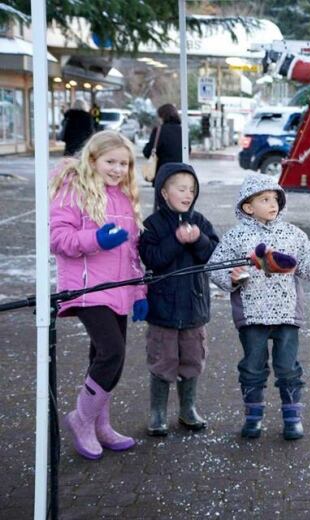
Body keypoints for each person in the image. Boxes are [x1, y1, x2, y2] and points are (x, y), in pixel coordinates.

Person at [208, 175, 310, 440]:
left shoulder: (292, 233)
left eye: (276, 199)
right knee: (252, 367)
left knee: (288, 367)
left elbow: (308, 259)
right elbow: (215, 266)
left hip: (286, 315)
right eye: (265, 200)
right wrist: (231, 277)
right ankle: (253, 417)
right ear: (248, 207)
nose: (273, 204)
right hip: (252, 316)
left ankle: (292, 418)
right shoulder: (236, 236)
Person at [49, 130, 148, 460]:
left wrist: (139, 291)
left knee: (106, 359)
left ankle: (100, 425)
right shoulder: (72, 190)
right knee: (111, 352)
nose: (118, 169)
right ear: (92, 159)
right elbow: (59, 239)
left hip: (118, 290)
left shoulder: (123, 196)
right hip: (87, 288)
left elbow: (133, 252)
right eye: (111, 162)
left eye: (124, 163)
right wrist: (96, 240)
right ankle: (82, 419)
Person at [139, 162, 219, 437]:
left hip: (194, 308)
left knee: (193, 358)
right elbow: (152, 258)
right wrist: (176, 240)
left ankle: (188, 409)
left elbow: (213, 255)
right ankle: (158, 412)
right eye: (181, 188)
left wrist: (198, 240)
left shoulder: (201, 222)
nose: (187, 194)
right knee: (163, 359)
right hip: (163, 309)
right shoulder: (152, 225)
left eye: (192, 189)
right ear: (164, 192)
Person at [143, 103, 183, 180]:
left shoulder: (159, 131)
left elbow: (148, 152)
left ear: (162, 116)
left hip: (163, 174)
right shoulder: (183, 130)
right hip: (180, 173)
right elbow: (188, 150)